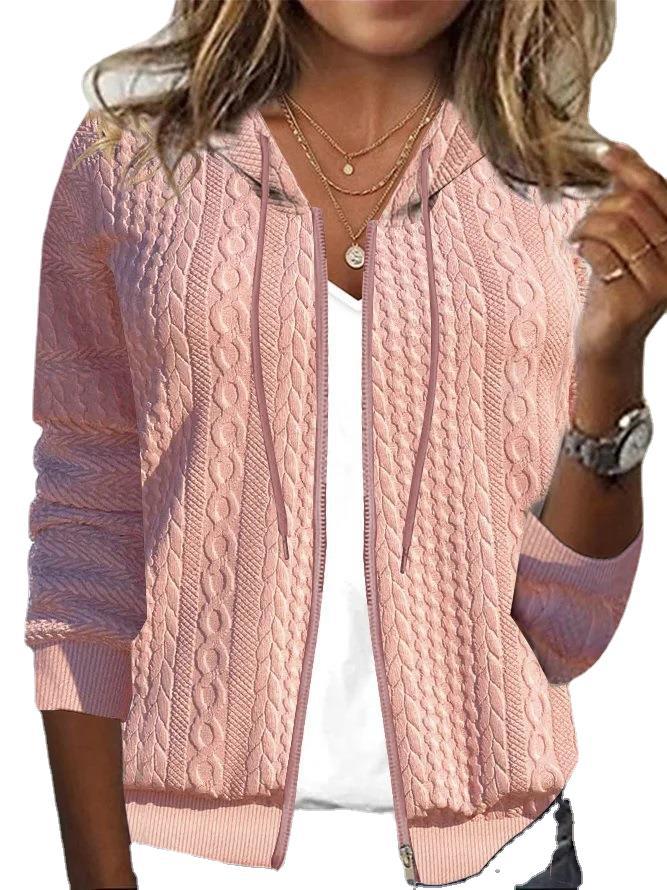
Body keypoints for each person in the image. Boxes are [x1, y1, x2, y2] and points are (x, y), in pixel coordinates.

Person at [24, 1, 664, 888]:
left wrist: (612, 356)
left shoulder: (568, 194)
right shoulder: (129, 159)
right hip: (180, 862)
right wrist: (99, 875)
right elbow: (86, 526)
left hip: (503, 862)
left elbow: (563, 638)